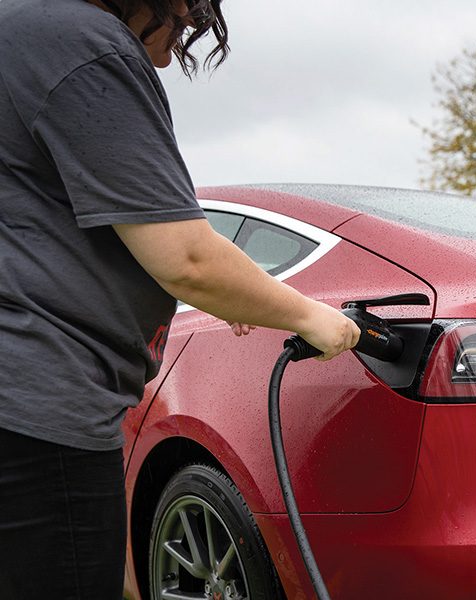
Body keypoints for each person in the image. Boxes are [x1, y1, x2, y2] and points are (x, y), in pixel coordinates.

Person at [0, 0, 360, 597]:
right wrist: (310, 315)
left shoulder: (20, 31)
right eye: (188, 22)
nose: (172, 54)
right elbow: (189, 258)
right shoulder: (84, 41)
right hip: (37, 407)